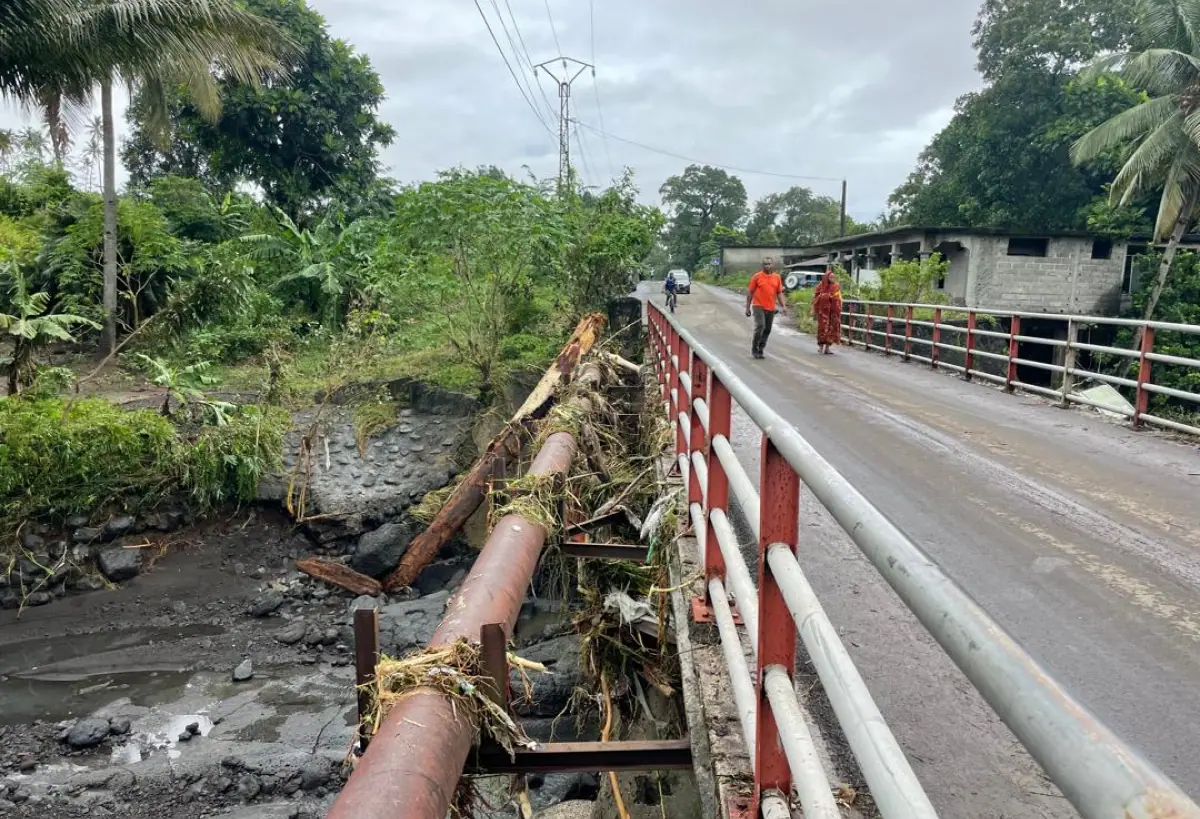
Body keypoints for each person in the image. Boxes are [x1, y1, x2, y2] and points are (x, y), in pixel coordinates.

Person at [744, 257, 787, 359]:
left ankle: (760, 349)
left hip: (771, 307)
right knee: (760, 326)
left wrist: (784, 306)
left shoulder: (777, 277)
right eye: (765, 264)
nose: (767, 266)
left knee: (767, 329)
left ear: (772, 265)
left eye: (769, 264)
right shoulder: (757, 276)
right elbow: (750, 292)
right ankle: (754, 349)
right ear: (762, 265)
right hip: (758, 305)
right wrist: (747, 307)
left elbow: (779, 293)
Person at [811, 267, 843, 355]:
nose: (833, 279)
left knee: (832, 328)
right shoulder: (820, 286)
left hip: (833, 312)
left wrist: (830, 297)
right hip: (823, 312)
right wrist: (825, 296)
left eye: (834, 277)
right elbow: (816, 297)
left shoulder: (836, 286)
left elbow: (838, 298)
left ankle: (827, 348)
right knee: (822, 328)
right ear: (826, 278)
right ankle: (821, 347)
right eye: (831, 277)